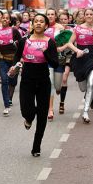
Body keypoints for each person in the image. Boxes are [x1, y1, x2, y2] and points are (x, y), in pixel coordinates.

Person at [9, 13, 58, 157]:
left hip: (43, 81)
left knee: (42, 115)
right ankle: (29, 118)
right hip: (27, 80)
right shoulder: (24, 41)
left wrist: (46, 53)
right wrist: (14, 67)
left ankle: (36, 146)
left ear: (46, 26)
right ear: (32, 24)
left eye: (41, 22)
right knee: (27, 110)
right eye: (36, 21)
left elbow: (55, 63)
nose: (38, 23)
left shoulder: (50, 42)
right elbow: (17, 57)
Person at [67, 8, 93, 123]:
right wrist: (77, 50)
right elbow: (69, 43)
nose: (89, 16)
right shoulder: (77, 28)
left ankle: (85, 112)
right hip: (80, 58)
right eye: (87, 14)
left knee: (91, 83)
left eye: (91, 14)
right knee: (83, 87)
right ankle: (87, 97)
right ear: (84, 16)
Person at [0, 11, 21, 116]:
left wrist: (15, 43)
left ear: (9, 20)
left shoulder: (14, 30)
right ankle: (6, 106)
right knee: (4, 81)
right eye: (3, 18)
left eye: (7, 18)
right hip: (3, 59)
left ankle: (10, 98)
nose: (4, 19)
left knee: (13, 81)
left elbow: (21, 43)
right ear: (0, 19)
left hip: (14, 60)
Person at [45, 8, 64, 121]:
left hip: (59, 59)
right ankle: (50, 109)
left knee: (57, 86)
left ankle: (59, 89)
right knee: (50, 84)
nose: (50, 16)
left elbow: (67, 41)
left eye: (52, 14)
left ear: (55, 16)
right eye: (48, 14)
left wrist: (62, 47)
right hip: (47, 59)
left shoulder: (60, 28)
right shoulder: (42, 26)